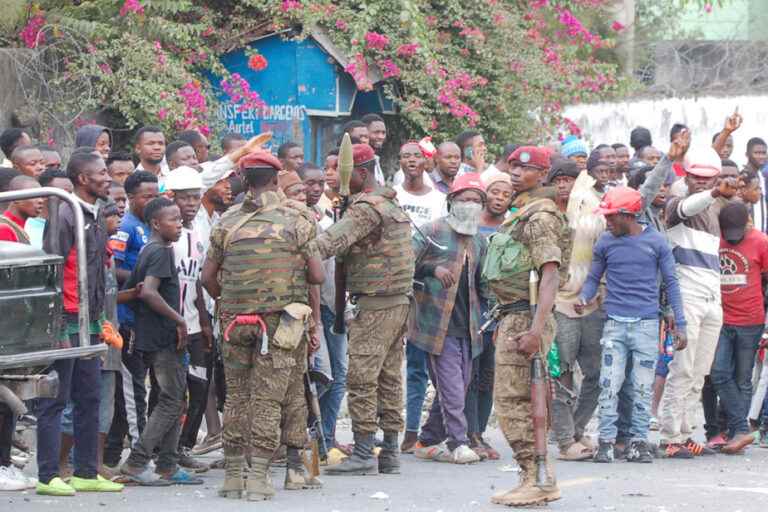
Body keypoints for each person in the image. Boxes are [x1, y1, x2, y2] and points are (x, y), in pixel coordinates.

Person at [201, 151, 324, 500]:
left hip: (234, 322)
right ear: (275, 178)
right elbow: (316, 274)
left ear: (243, 178)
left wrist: (230, 301)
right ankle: (258, 478)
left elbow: (207, 277)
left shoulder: (226, 220)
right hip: (280, 324)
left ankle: (233, 477)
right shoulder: (297, 216)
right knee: (269, 399)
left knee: (237, 396)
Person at [306, 144, 414, 476]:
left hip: (378, 304)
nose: (336, 182)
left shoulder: (366, 209)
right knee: (389, 377)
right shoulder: (388, 202)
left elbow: (327, 244)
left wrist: (285, 244)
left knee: (363, 377)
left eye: (344, 174)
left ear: (362, 174)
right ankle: (390, 451)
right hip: (397, 301)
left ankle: (365, 450)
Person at [484, 146, 567, 506]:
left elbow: (550, 274)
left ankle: (538, 478)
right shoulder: (522, 212)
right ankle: (532, 475)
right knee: (515, 399)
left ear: (543, 176)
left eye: (527, 168)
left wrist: (535, 329)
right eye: (514, 166)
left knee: (516, 400)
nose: (517, 173)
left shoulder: (540, 217)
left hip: (526, 315)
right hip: (513, 313)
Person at [579, 187, 686, 464]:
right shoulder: (605, 242)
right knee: (609, 385)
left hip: (647, 326)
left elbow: (672, 283)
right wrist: (584, 296)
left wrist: (680, 323)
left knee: (641, 387)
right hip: (614, 323)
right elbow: (593, 277)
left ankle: (638, 441)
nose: (607, 222)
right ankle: (606, 441)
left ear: (628, 215)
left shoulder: (657, 243)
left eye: (611, 216)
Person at [38, 152, 124, 496]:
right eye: (101, 173)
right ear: (82, 179)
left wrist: (101, 320)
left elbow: (97, 274)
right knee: (55, 398)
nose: (107, 178)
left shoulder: (97, 215)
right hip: (66, 319)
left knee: (89, 396)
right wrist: (57, 322)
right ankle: (47, 475)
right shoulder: (64, 213)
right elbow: (53, 269)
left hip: (90, 319)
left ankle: (87, 470)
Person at [659, 148, 738, 458]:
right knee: (682, 367)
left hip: (711, 295)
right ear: (686, 176)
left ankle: (685, 432)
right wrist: (714, 192)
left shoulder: (718, 209)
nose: (702, 183)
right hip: (687, 294)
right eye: (696, 177)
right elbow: (688, 206)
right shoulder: (677, 203)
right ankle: (669, 436)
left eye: (709, 179)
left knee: (699, 371)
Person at [118, 197, 201, 485]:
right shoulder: (160, 252)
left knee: (174, 400)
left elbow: (130, 291)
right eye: (173, 220)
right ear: (156, 223)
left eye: (180, 219)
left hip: (154, 335)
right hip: (164, 337)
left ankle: (167, 464)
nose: (179, 224)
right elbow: (148, 292)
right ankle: (138, 461)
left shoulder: (150, 249)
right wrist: (179, 320)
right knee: (171, 400)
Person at [410, 173, 487, 465]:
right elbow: (406, 262)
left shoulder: (480, 241)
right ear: (451, 201)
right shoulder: (432, 231)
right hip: (436, 326)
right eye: (464, 199)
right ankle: (458, 442)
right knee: (452, 386)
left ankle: (427, 440)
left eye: (476, 200)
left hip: (469, 326)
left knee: (458, 384)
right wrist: (432, 269)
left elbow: (483, 284)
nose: (470, 204)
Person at [549, 150, 609, 461]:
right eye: (557, 181)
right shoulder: (545, 215)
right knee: (562, 374)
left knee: (596, 373)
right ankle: (564, 441)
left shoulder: (592, 216)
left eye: (569, 180)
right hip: (559, 305)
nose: (563, 186)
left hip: (591, 303)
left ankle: (576, 428)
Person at [103, 171, 159, 469]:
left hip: (143, 322)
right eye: (146, 196)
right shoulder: (126, 229)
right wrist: (146, 280)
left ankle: (112, 457)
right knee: (133, 392)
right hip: (124, 322)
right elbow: (115, 271)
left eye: (156, 194)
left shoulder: (150, 225)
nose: (152, 200)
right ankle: (139, 461)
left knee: (133, 392)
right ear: (133, 197)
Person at [298, 163, 349, 461]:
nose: (315, 189)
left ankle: (325, 438)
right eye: (309, 184)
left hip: (334, 302)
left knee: (338, 374)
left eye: (319, 183)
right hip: (311, 308)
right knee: (321, 375)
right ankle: (309, 437)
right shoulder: (297, 219)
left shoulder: (327, 211)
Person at [165, 167, 213, 471]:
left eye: (196, 197)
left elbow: (197, 278)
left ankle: (185, 446)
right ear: (172, 198)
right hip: (170, 326)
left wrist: (206, 322)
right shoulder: (165, 233)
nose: (192, 203)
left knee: (200, 386)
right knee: (168, 392)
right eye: (186, 198)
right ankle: (162, 450)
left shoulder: (201, 230)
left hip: (196, 324)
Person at [464, 172, 514, 460]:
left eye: (505, 194)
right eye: (494, 192)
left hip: (500, 309)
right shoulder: (470, 226)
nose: (499, 198)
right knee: (469, 374)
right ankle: (468, 433)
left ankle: (480, 432)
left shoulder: (512, 228)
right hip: (471, 307)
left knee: (488, 375)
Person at [711, 202, 768, 454]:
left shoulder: (761, 242)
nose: (732, 238)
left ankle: (738, 435)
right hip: (720, 319)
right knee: (719, 372)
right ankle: (741, 429)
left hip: (750, 320)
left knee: (743, 380)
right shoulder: (714, 239)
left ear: (747, 223)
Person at [394, 141, 445, 227]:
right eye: (406, 156)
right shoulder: (392, 195)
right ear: (400, 162)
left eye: (417, 156)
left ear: (425, 162)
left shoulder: (440, 199)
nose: (412, 160)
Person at [0, 175, 43, 243]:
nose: (41, 200)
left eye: (41, 196)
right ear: (16, 198)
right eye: (34, 196)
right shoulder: (4, 230)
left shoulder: (15, 227)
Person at [361, 113, 387, 185]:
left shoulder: (376, 159)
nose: (381, 136)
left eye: (383, 133)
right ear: (364, 133)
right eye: (376, 132)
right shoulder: (359, 162)